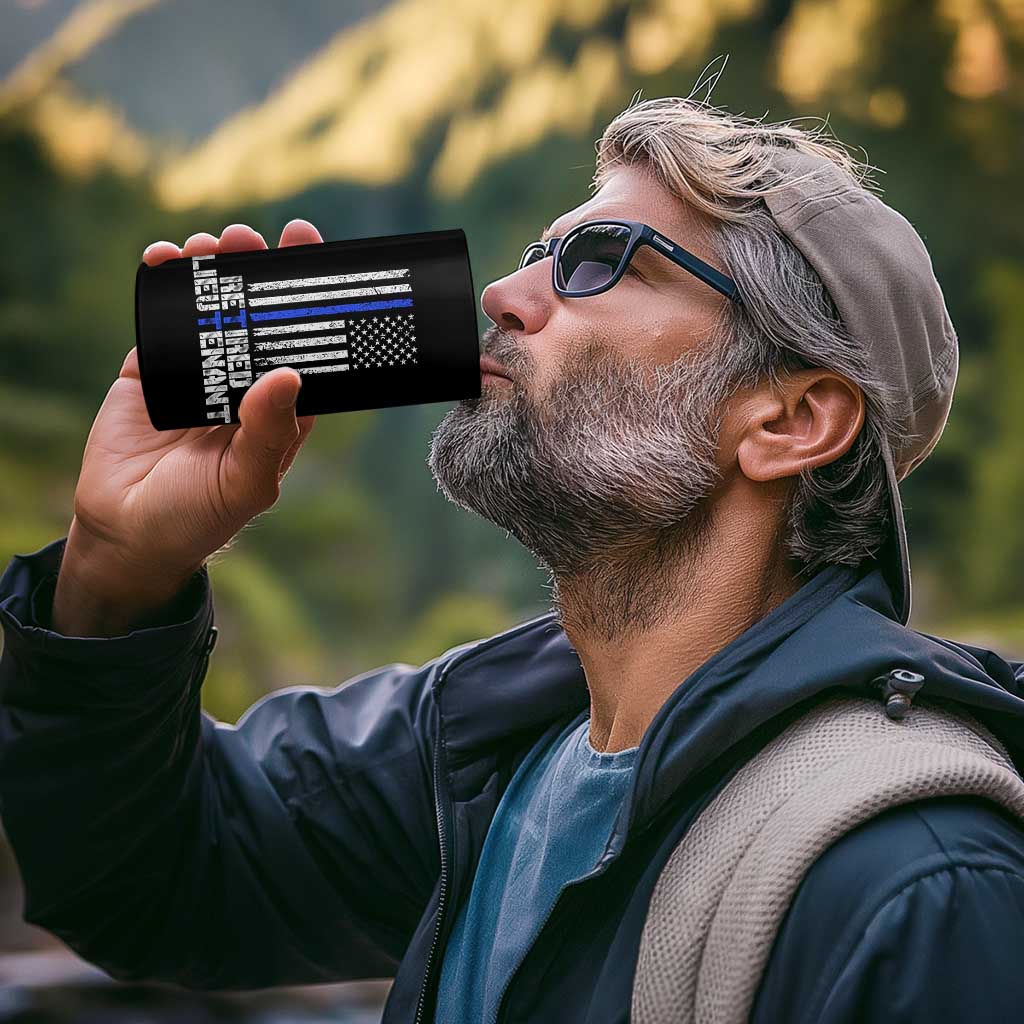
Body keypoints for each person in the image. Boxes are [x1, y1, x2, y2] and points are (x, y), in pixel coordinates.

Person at [2, 95, 1024, 1024]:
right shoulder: (480, 749)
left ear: (791, 419)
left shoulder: (918, 884)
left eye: (599, 262)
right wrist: (116, 571)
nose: (502, 291)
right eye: (540, 252)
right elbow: (149, 880)